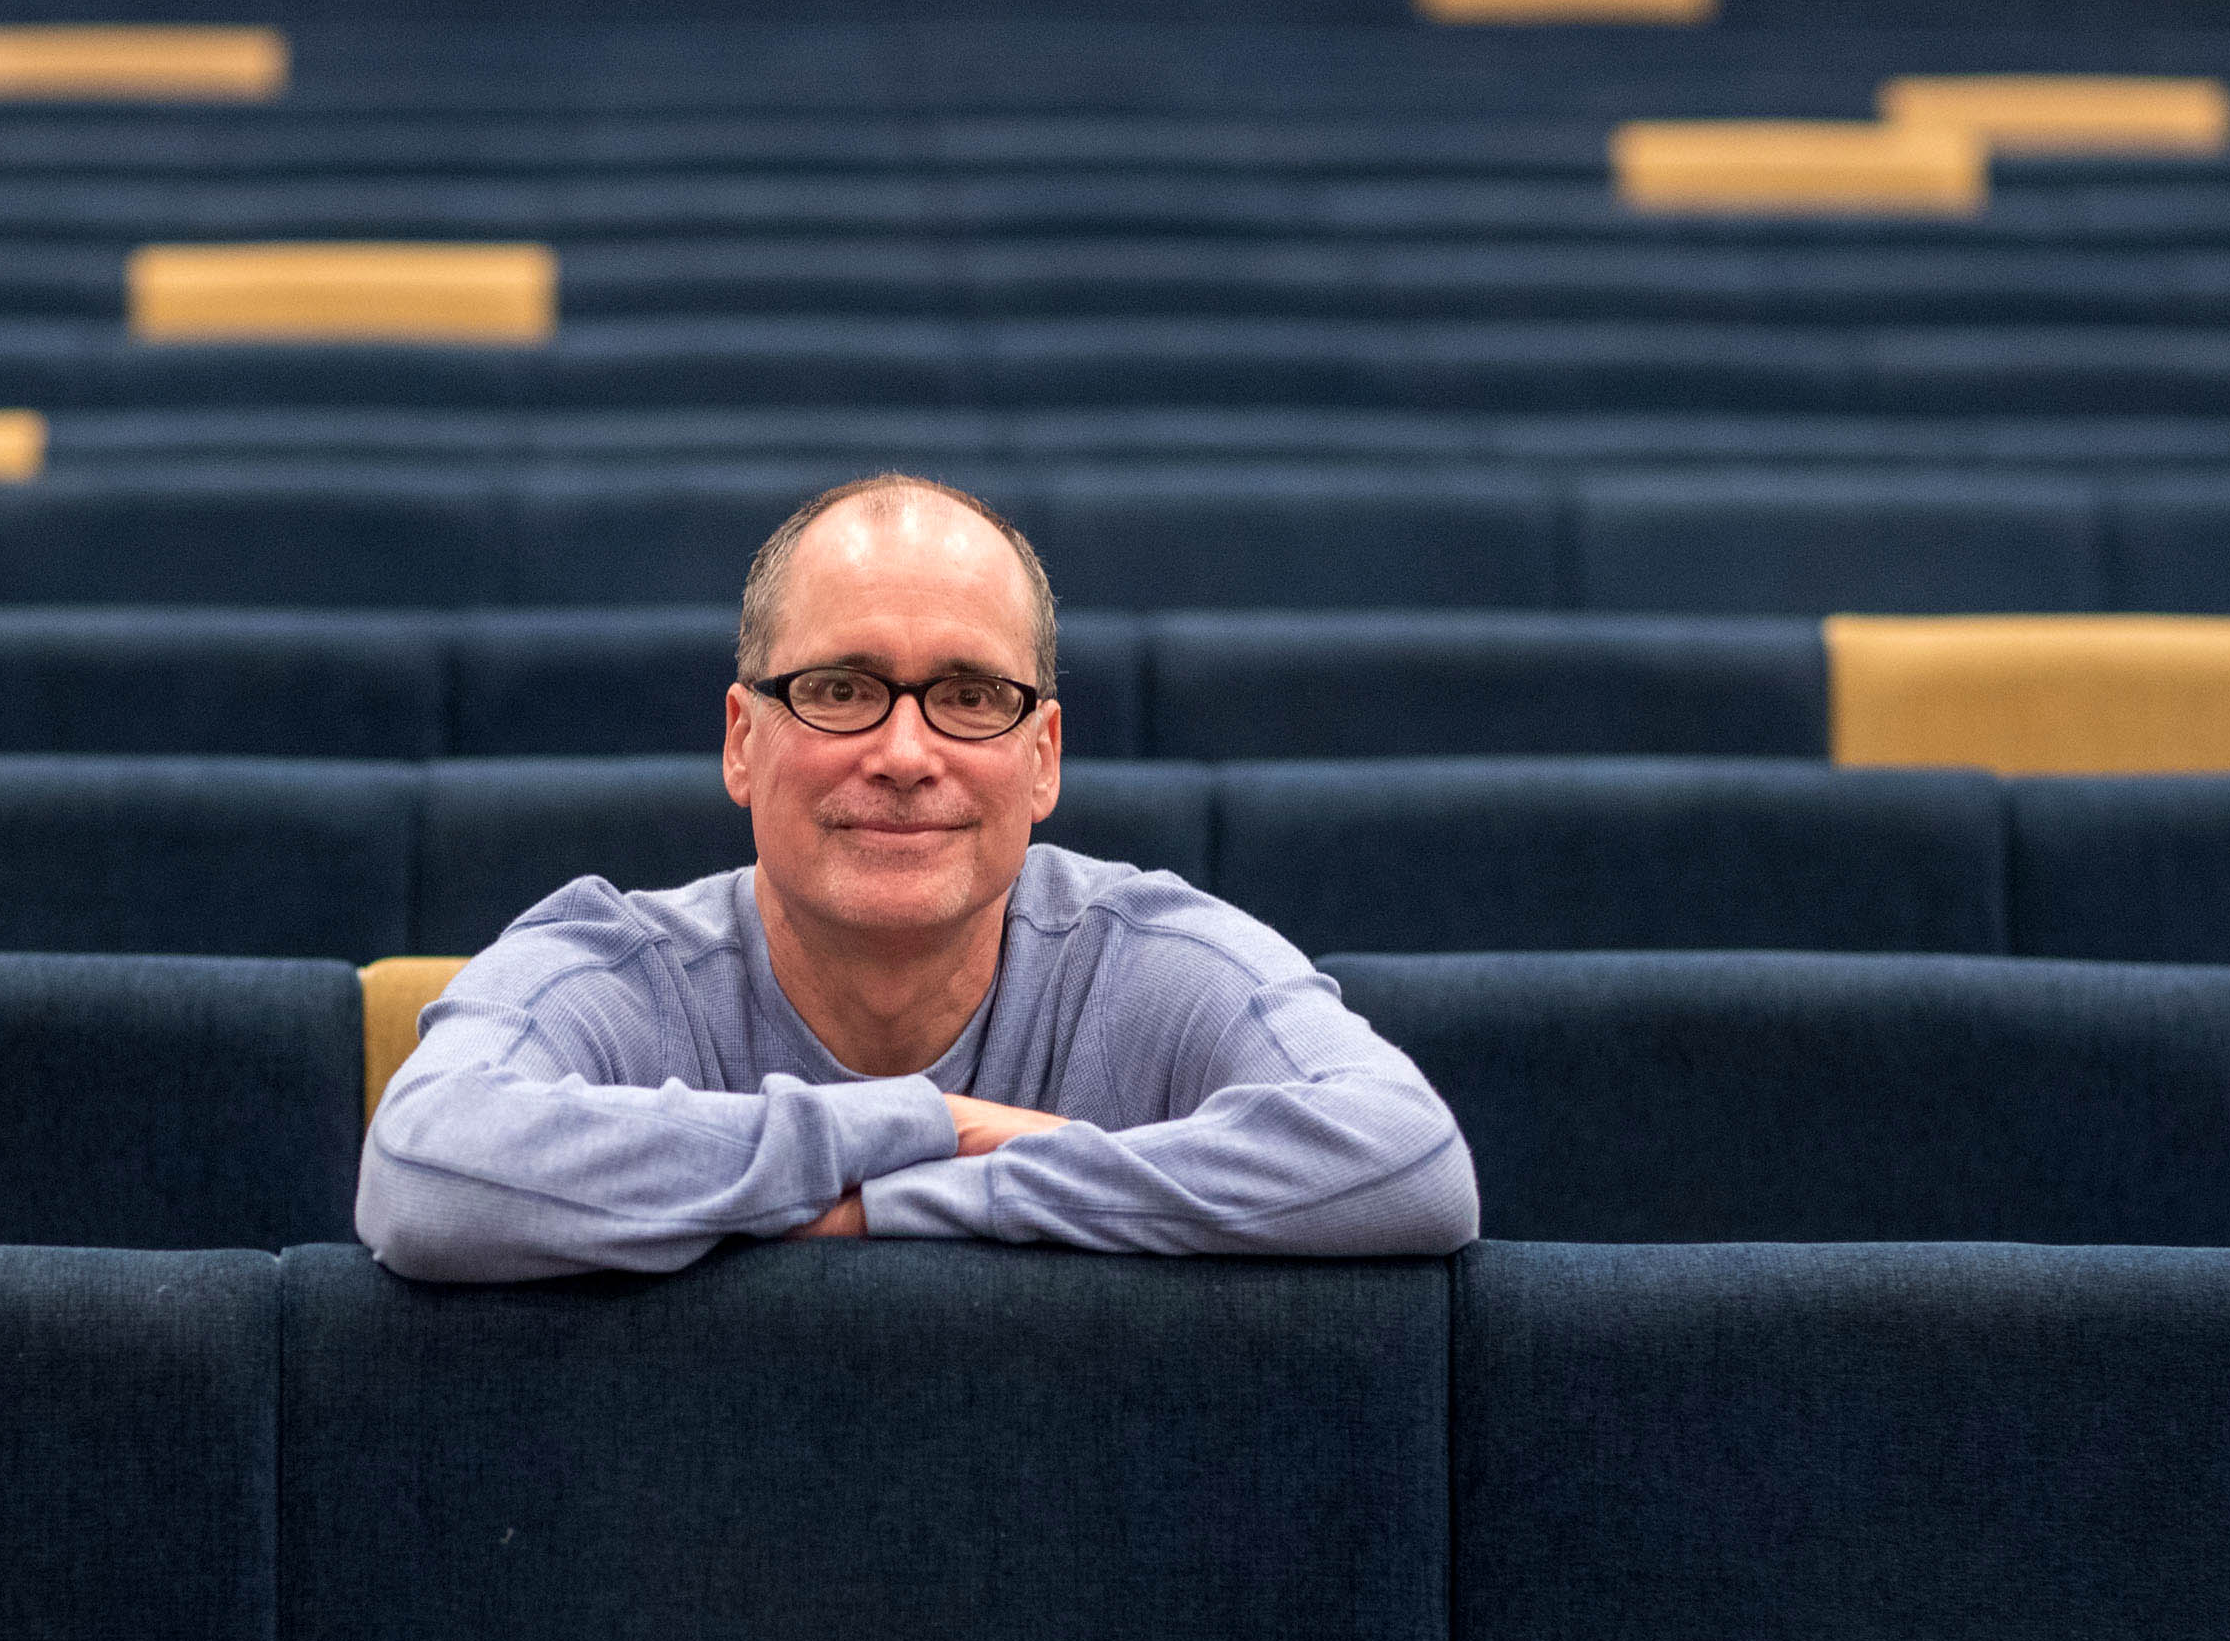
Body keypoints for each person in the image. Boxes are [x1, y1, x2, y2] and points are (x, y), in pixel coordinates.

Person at [357, 473, 1478, 1281]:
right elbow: (425, 1167)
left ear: (1042, 757)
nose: (903, 752)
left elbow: (1409, 1162)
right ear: (743, 739)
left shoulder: (1154, 958)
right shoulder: (608, 965)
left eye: (971, 695)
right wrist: (930, 1125)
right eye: (841, 689)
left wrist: (888, 1205)